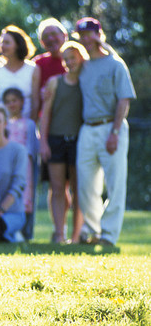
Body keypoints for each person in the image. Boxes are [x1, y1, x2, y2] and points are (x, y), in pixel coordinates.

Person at [75, 17, 135, 246]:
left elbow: (124, 100)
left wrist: (115, 132)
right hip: (87, 129)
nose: (86, 39)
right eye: (82, 35)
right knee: (86, 185)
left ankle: (109, 235)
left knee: (115, 184)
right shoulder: (83, 65)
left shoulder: (116, 64)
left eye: (90, 34)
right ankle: (92, 231)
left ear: (99, 34)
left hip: (112, 126)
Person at [39, 41, 86, 244]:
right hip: (56, 140)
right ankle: (60, 234)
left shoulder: (87, 82)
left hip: (79, 142)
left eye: (73, 57)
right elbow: (46, 114)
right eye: (66, 59)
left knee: (78, 190)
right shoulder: (54, 82)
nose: (69, 62)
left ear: (81, 58)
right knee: (58, 188)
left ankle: (75, 237)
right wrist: (43, 142)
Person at [0, 103, 28, 243]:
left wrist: (1, 210)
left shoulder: (18, 151)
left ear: (5, 124)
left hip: (12, 213)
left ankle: (9, 233)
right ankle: (10, 236)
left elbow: (19, 184)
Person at [2, 87, 39, 240]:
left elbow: (32, 148)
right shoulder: (3, 124)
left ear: (22, 102)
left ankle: (26, 232)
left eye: (14, 101)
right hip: (6, 164)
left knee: (25, 196)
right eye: (8, 102)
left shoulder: (29, 124)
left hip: (25, 166)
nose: (11, 105)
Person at [0, 25, 41, 121]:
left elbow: (35, 103)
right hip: (2, 130)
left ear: (18, 45)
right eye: (1, 42)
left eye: (7, 43)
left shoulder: (33, 70)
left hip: (26, 127)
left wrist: (30, 126)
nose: (2, 46)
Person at [33, 18, 69, 89]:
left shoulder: (75, 59)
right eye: (46, 36)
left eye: (54, 34)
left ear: (64, 35)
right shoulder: (38, 63)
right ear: (42, 42)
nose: (50, 39)